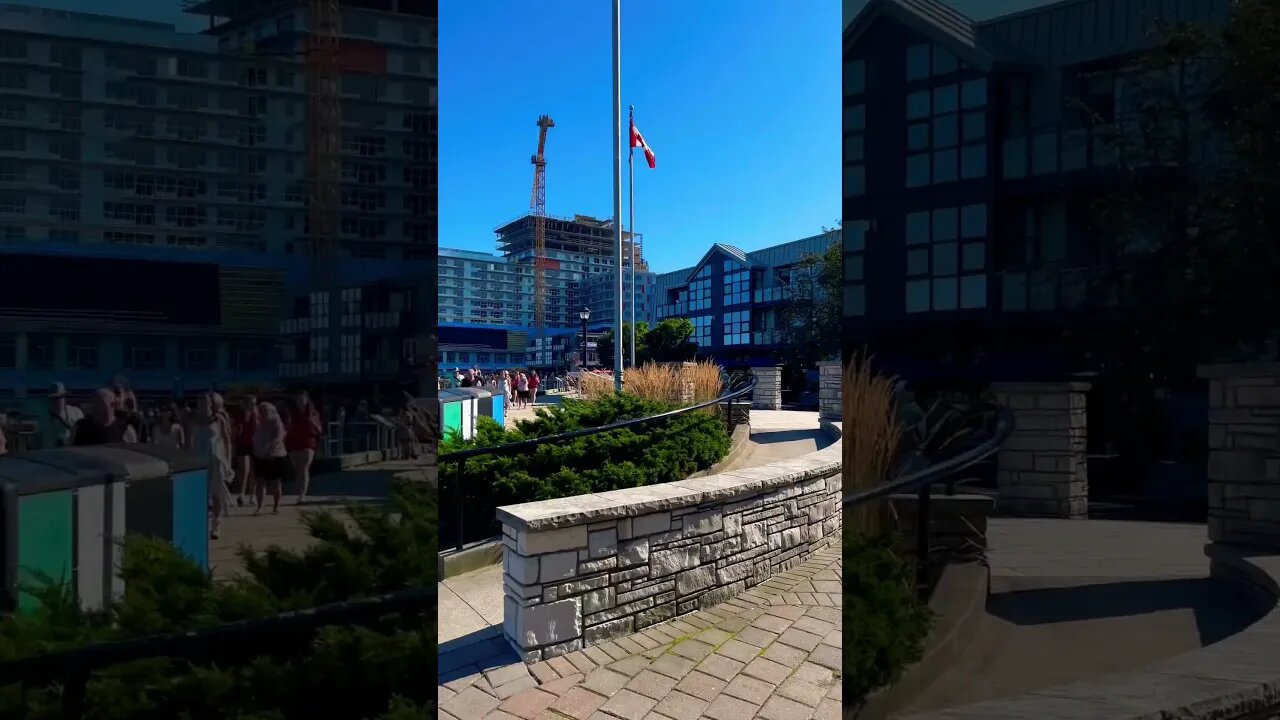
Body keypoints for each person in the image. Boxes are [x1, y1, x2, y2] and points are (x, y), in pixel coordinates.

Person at [191, 393, 234, 539]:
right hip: (197, 460)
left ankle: (216, 525)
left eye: (205, 402)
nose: (202, 405)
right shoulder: (193, 420)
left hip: (215, 459)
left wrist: (228, 459)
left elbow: (227, 440)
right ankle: (200, 525)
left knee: (216, 493)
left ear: (211, 404)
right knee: (199, 494)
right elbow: (187, 441)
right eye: (199, 402)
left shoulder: (219, 419)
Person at [286, 391, 322, 504]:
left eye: (302, 400)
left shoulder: (312, 413)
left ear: (307, 400)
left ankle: (302, 494)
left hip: (308, 442)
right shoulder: (291, 413)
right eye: (298, 400)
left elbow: (319, 429)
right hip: (294, 442)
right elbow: (286, 427)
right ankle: (300, 490)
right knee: (297, 468)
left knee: (304, 468)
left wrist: (312, 422)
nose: (300, 402)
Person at [252, 401, 288, 515]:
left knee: (275, 482)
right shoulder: (258, 422)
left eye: (264, 411)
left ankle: (276, 506)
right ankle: (259, 506)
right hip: (259, 455)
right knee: (260, 482)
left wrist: (268, 448)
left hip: (275, 455)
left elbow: (278, 437)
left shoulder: (276, 422)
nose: (262, 413)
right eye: (260, 411)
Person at [233, 396, 258, 507]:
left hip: (255, 445)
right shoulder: (239, 416)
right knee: (244, 470)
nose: (252, 406)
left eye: (253, 404)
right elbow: (235, 432)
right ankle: (241, 494)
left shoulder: (257, 415)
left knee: (254, 471)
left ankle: (253, 495)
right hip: (242, 444)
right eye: (249, 404)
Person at [43, 383, 84, 449]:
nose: (58, 401)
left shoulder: (77, 413)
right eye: (55, 399)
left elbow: (84, 436)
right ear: (50, 400)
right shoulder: (44, 420)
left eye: (61, 397)